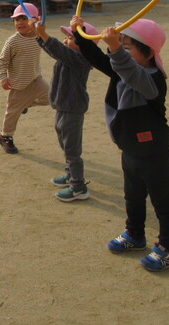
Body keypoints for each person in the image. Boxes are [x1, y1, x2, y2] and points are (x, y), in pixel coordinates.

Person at [71, 16, 169, 272]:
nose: (120, 52)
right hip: (130, 149)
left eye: (127, 47)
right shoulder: (122, 68)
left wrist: (115, 48)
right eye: (122, 46)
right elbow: (101, 60)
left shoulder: (153, 79)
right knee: (132, 196)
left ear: (148, 52)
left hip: (154, 152)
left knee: (163, 203)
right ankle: (135, 234)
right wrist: (80, 33)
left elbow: (131, 72)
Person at [34, 20, 98, 202]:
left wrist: (44, 35)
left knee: (72, 150)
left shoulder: (80, 60)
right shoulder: (68, 56)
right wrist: (39, 35)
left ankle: (78, 186)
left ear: (86, 45)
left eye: (71, 38)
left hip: (73, 108)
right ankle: (71, 175)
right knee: (64, 143)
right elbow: (55, 51)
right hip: (63, 107)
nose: (65, 40)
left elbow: (59, 50)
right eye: (67, 36)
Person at [0, 3, 50, 154]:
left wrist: (39, 27)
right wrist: (3, 78)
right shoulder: (13, 41)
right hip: (19, 85)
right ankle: (5, 136)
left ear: (34, 20)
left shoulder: (38, 37)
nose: (20, 22)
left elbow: (48, 41)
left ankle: (26, 104)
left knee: (52, 98)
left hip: (36, 79)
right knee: (12, 112)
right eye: (16, 19)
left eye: (24, 18)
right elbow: (2, 61)